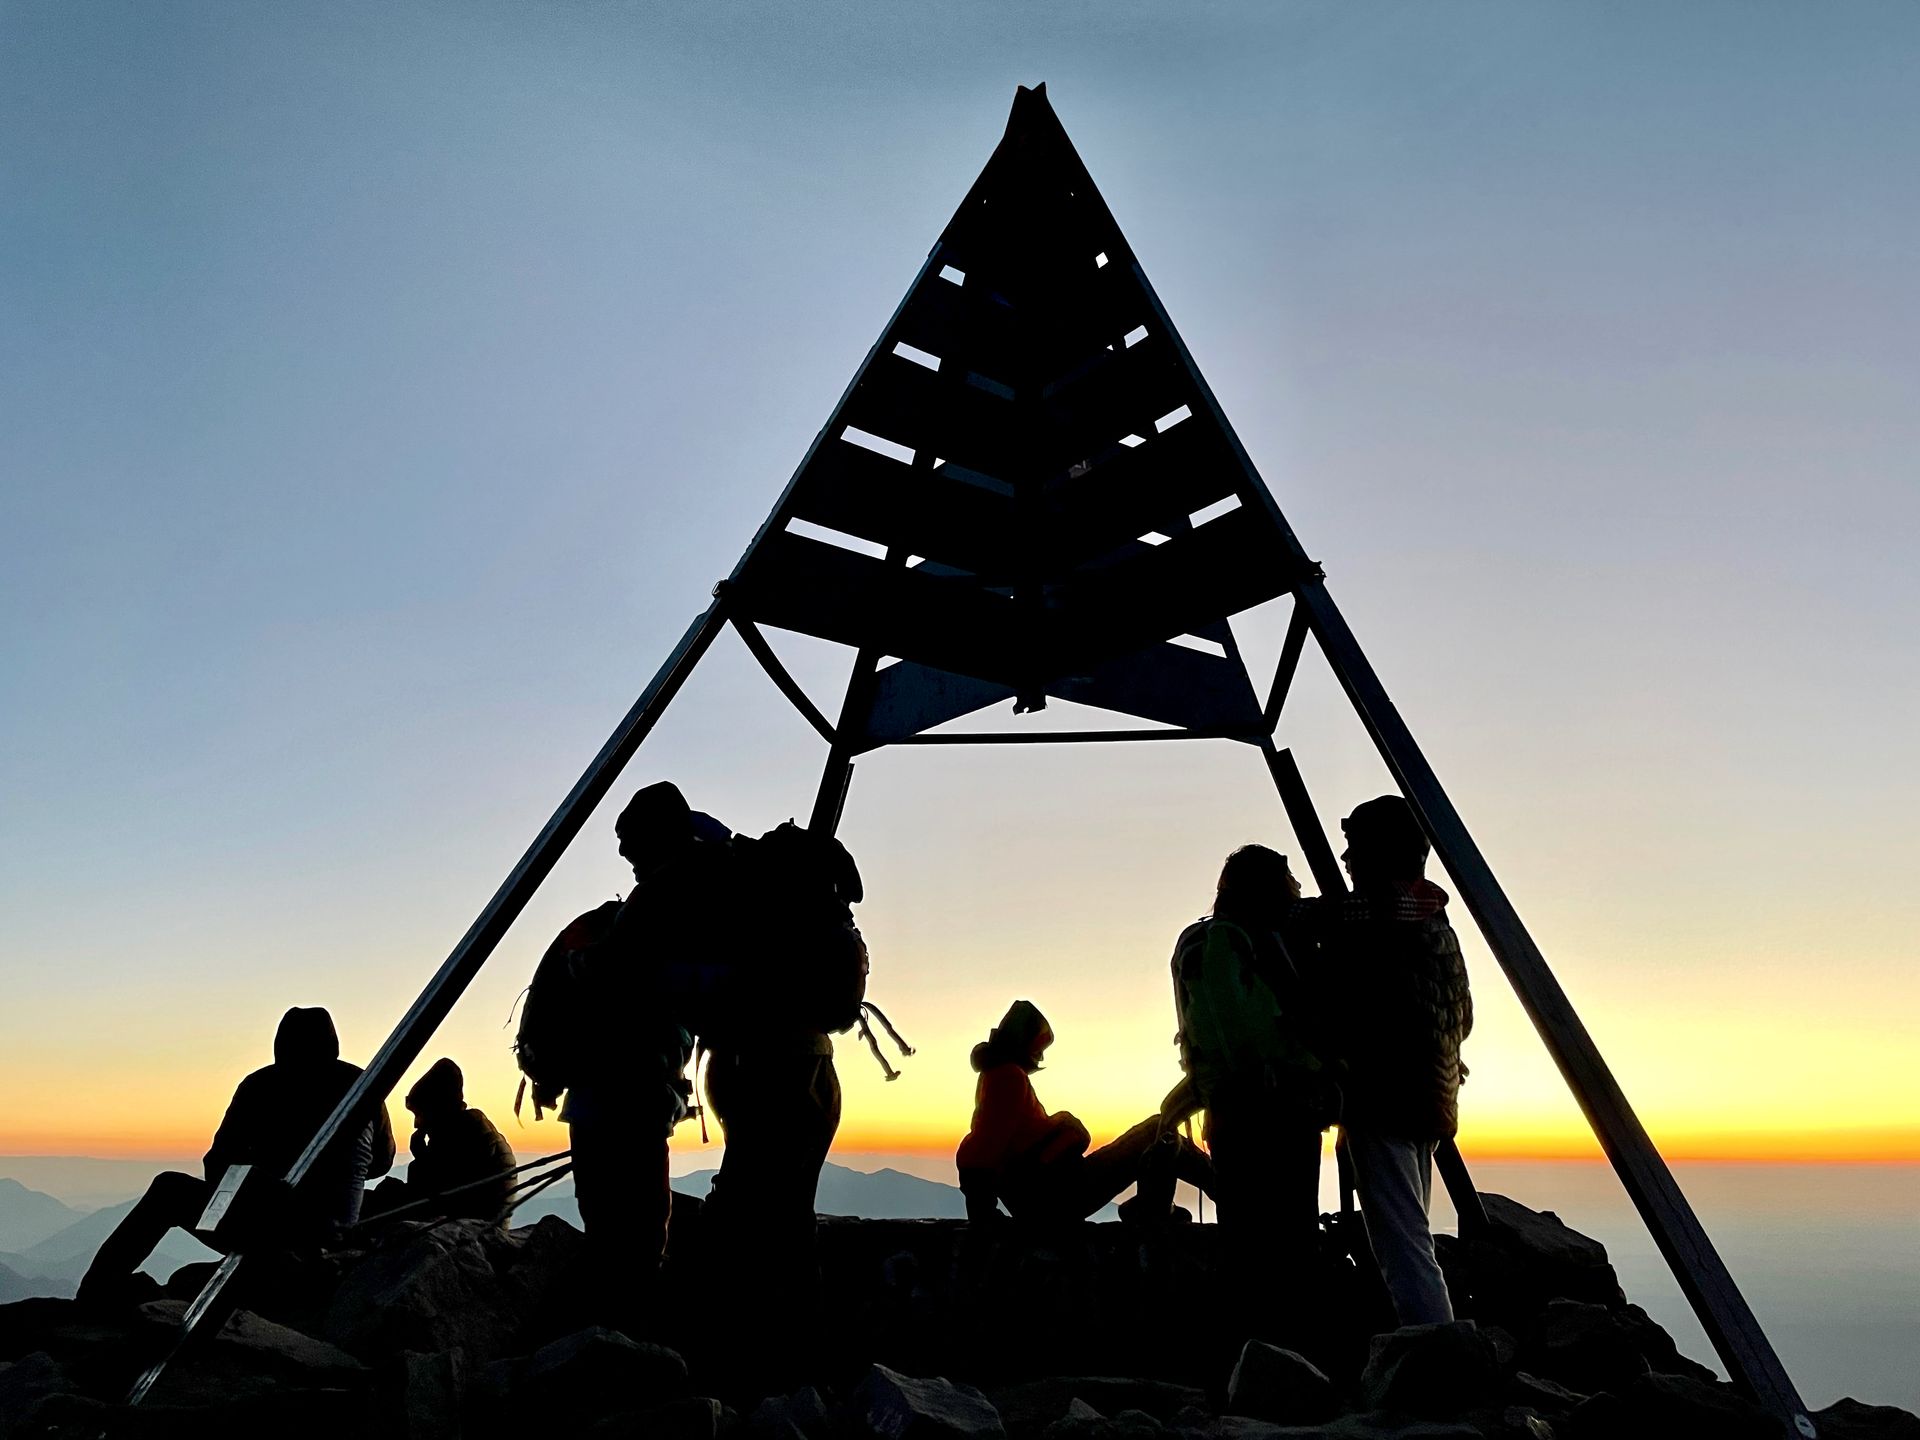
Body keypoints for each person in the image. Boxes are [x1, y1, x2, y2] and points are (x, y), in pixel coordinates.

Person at [1289, 795, 1471, 1327]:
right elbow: (1464, 1017)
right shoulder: (1436, 923)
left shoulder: (1372, 922)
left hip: (1384, 1098)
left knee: (1401, 1240)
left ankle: (1436, 1352)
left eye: (1354, 848)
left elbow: (1335, 990)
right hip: (1431, 1097)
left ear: (1377, 853)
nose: (1345, 861)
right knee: (1412, 1230)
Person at [77, 1007, 395, 1305]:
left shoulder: (261, 1086)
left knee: (168, 1190)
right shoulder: (364, 1085)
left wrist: (254, 1187)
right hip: (337, 1233)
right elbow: (381, 1161)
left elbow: (216, 1164)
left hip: (272, 1236)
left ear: (280, 1047)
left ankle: (96, 1289)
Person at [560, 781, 722, 1315]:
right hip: (651, 1084)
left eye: (629, 840)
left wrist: (580, 963)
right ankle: (636, 1322)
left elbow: (614, 970)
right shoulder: (711, 880)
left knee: (616, 1220)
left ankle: (622, 1335)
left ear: (656, 837)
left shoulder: (661, 893)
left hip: (617, 1085)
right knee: (643, 1216)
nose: (624, 853)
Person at [1169, 845, 1336, 1335]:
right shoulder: (1235, 941)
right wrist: (1304, 1072)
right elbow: (1243, 1027)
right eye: (1286, 879)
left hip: (1234, 1107)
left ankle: (1254, 1349)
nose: (1294, 888)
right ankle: (1282, 1348)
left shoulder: (1219, 940)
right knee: (1286, 1233)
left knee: (1248, 1235)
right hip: (1271, 1105)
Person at [955, 1000, 1212, 1225]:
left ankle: (1153, 1206)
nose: (1040, 1056)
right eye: (1039, 1049)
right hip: (1058, 1197)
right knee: (1158, 1131)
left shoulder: (998, 1076)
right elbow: (980, 1151)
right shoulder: (1007, 1077)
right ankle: (1224, 1190)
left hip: (1055, 1191)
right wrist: (983, 1213)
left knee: (1157, 1131)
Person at [366, 1058, 517, 1225]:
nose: (416, 1123)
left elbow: (430, 1198)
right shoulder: (467, 1130)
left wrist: (421, 1159)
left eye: (419, 1114)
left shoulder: (462, 1137)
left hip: (470, 1228)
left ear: (438, 1108)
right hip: (474, 1222)